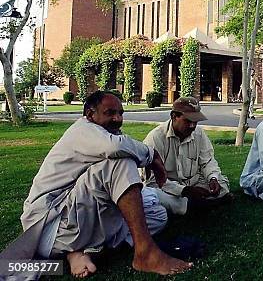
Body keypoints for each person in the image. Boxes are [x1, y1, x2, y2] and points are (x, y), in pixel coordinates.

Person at [1, 91, 191, 278]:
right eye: (110, 113)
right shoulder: (83, 130)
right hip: (53, 226)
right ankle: (146, 253)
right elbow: (115, 147)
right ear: (90, 114)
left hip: (77, 222)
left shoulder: (105, 134)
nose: (117, 118)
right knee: (121, 162)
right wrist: (153, 156)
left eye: (120, 113)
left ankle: (82, 253)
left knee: (158, 214)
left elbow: (118, 146)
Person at [143, 97, 230, 215]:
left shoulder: (199, 133)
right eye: (188, 121)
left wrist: (212, 179)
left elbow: (208, 161)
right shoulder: (156, 137)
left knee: (222, 182)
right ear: (174, 116)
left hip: (194, 182)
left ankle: (197, 203)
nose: (192, 126)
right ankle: (195, 205)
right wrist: (184, 190)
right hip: (168, 187)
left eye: (196, 121)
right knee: (155, 194)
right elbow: (154, 180)